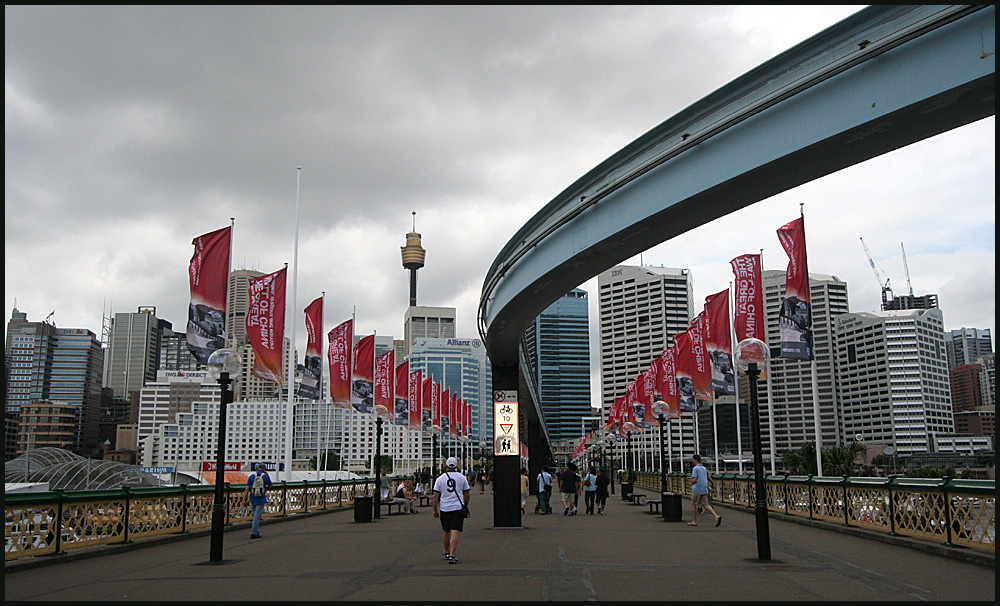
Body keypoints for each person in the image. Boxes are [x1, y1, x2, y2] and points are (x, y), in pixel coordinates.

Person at [433, 457, 471, 564]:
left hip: (445, 507)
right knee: (455, 530)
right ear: (456, 466)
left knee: (446, 530)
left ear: (446, 466)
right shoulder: (461, 477)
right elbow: (467, 494)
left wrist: (435, 510)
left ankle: (446, 551)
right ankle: (452, 554)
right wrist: (465, 504)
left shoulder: (440, 479)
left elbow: (435, 496)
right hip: (457, 507)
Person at [688, 454, 722, 527]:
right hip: (704, 488)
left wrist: (690, 481)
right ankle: (716, 516)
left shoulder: (695, 468)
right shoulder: (704, 468)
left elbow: (695, 479)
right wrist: (712, 483)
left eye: (693, 460)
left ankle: (694, 521)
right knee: (706, 504)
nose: (692, 461)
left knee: (694, 504)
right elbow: (707, 477)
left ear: (695, 460)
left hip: (697, 488)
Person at [243, 463, 273, 539]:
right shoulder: (265, 476)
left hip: (253, 498)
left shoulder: (252, 476)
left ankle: (255, 531)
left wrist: (245, 499)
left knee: (254, 515)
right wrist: (267, 475)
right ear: (264, 468)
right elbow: (271, 485)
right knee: (257, 516)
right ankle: (254, 532)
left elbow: (247, 489)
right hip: (261, 498)